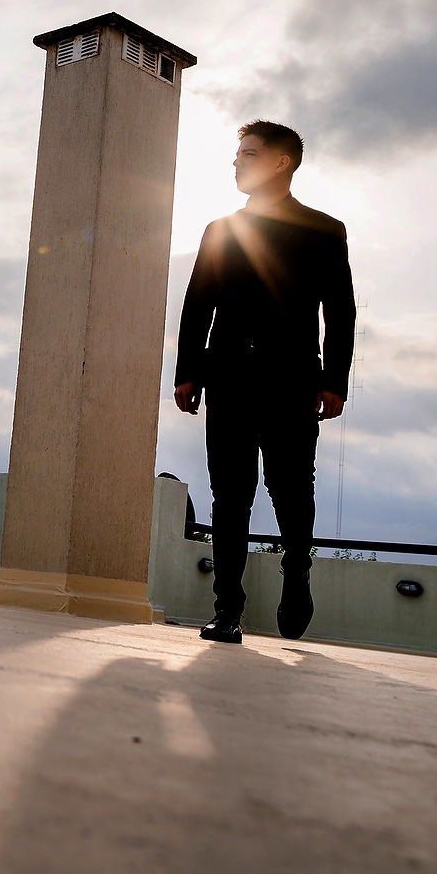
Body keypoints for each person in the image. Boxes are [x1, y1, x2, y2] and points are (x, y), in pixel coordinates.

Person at [173, 121, 356, 644]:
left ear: (282, 162)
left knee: (292, 492)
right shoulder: (219, 230)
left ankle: (295, 575)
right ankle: (227, 609)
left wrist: (333, 381)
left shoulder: (325, 230)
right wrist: (189, 373)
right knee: (230, 496)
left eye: (248, 154)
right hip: (228, 378)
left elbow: (338, 313)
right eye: (236, 155)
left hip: (293, 381)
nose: (236, 163)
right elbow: (197, 307)